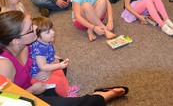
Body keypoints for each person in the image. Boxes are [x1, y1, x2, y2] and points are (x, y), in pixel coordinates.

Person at [0, 11, 129, 106]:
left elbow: (42, 57)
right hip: (29, 92)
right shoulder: (4, 65)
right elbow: (9, 101)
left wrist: (48, 69)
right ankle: (104, 95)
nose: (35, 30)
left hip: (37, 79)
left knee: (60, 63)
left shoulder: (28, 42)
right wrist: (32, 90)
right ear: (16, 41)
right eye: (30, 29)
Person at [30, 16, 79, 97]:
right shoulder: (39, 50)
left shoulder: (45, 41)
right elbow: (43, 66)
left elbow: (48, 53)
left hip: (47, 66)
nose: (53, 32)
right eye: (48, 32)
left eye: (52, 29)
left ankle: (67, 88)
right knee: (58, 80)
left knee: (60, 71)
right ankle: (66, 95)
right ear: (37, 36)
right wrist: (59, 65)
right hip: (39, 76)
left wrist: (54, 56)